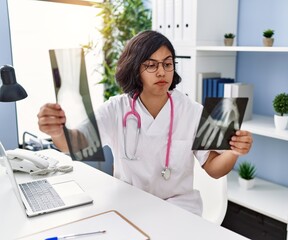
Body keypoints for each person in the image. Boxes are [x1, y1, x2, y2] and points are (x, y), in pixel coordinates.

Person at [37, 30, 253, 216]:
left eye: (167, 64)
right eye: (151, 65)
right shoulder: (116, 109)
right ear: (135, 68)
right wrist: (57, 132)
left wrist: (233, 152)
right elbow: (77, 143)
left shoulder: (192, 110)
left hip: (180, 211)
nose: (162, 72)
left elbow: (214, 168)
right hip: (130, 206)